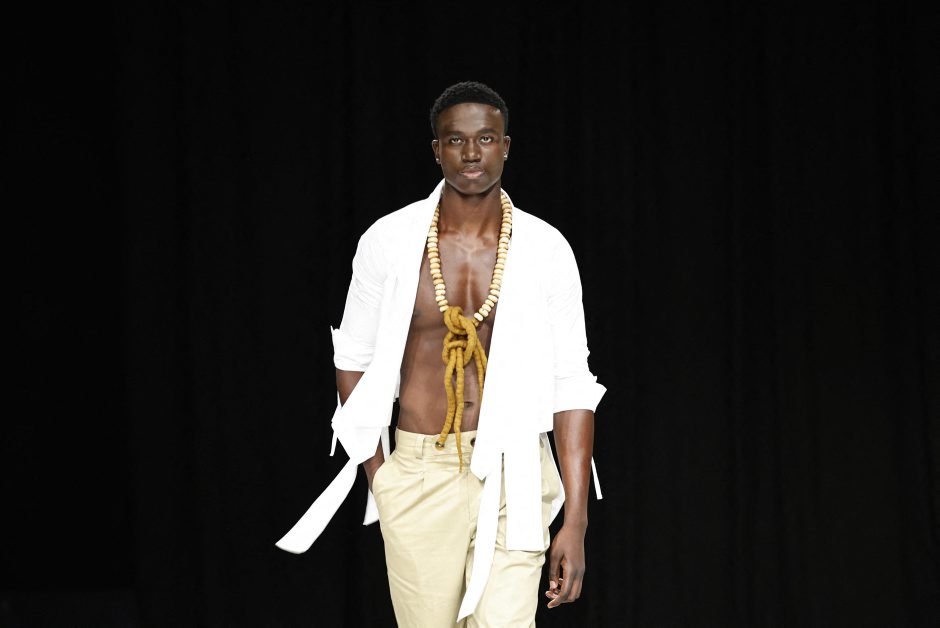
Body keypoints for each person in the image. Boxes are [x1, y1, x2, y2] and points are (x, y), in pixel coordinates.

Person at [276, 80, 605, 627]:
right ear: (436, 149)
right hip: (419, 470)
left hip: (516, 470)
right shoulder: (388, 241)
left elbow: (572, 382)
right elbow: (352, 359)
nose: (472, 153)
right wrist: (382, 477)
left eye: (486, 138)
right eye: (456, 140)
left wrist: (576, 522)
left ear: (506, 146)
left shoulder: (546, 248)